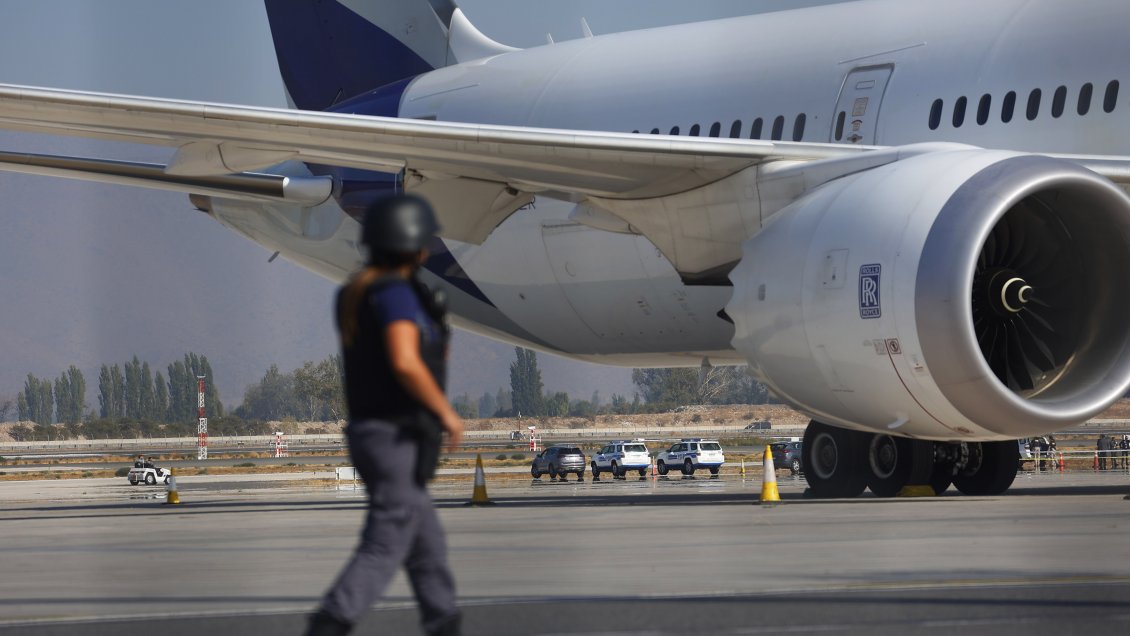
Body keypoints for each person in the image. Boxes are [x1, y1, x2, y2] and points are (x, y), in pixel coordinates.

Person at [306, 194, 464, 636]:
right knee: (385, 542)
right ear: (415, 247)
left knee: (427, 548)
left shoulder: (359, 291)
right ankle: (329, 623)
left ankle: (444, 622)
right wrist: (446, 413)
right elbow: (405, 362)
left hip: (376, 433)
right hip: (394, 436)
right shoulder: (394, 293)